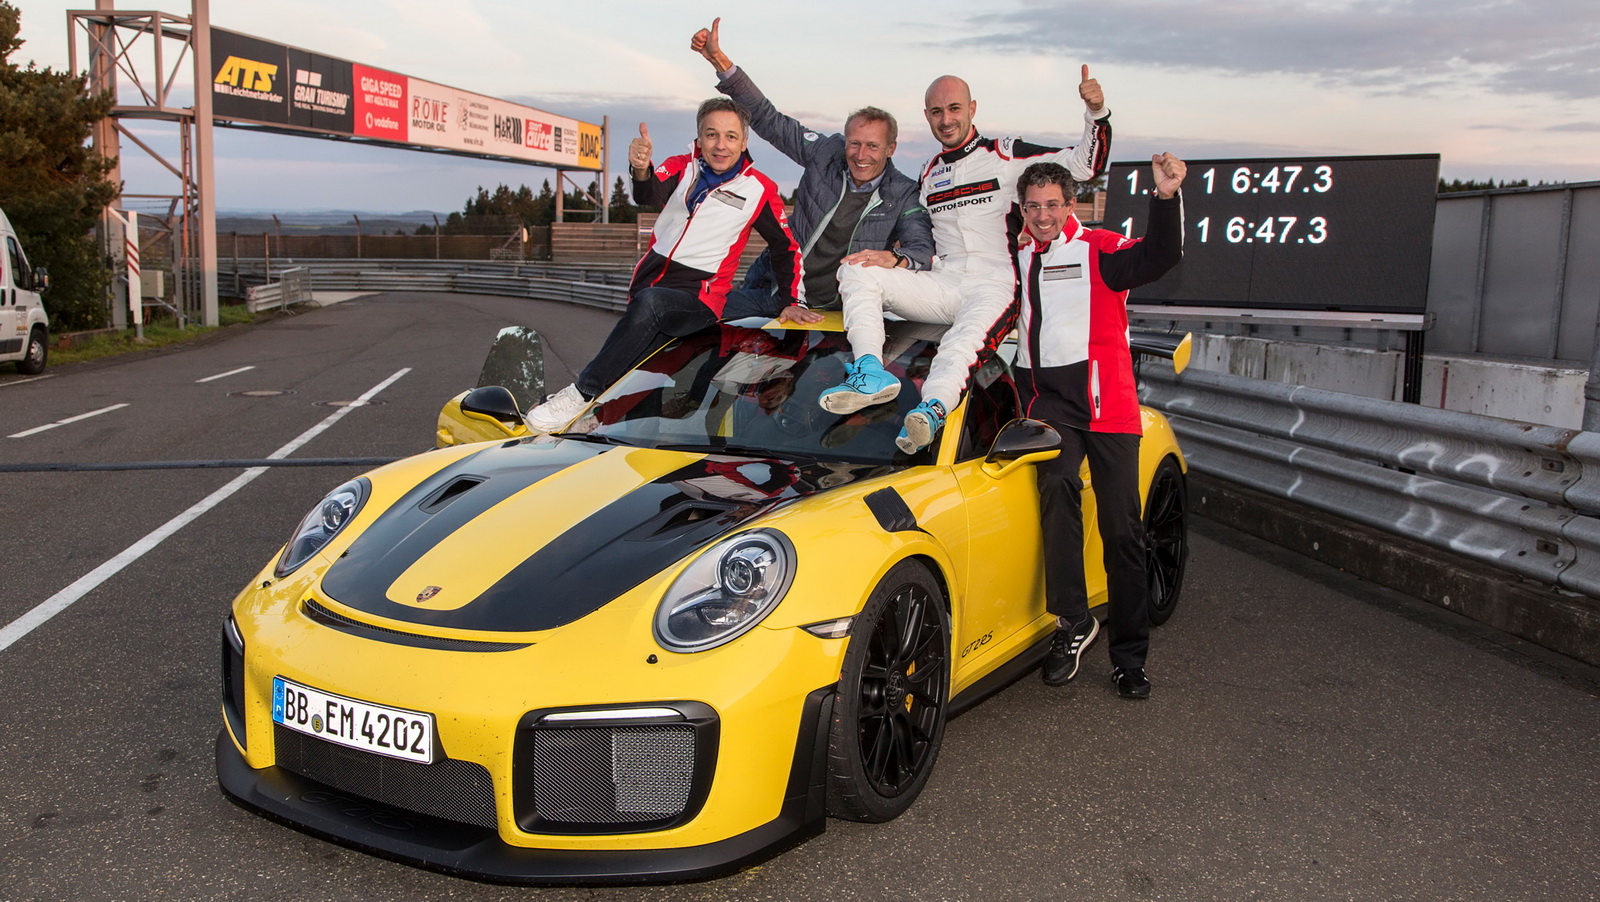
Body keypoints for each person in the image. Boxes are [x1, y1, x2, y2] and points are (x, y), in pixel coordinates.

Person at [820, 70, 1112, 454]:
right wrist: (893, 258)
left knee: (959, 348)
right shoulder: (929, 172)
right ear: (927, 116)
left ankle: (932, 410)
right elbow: (917, 238)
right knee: (856, 269)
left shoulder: (1006, 154)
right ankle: (871, 373)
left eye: (954, 108)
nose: (946, 119)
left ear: (972, 109)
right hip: (943, 281)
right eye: (937, 111)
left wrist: (1096, 112)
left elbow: (1084, 166)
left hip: (994, 284)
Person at [1013, 155, 1187, 699]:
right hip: (1051, 406)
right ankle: (1072, 621)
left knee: (1122, 532)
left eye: (1053, 205)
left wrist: (1164, 199)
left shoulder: (1100, 250)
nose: (1043, 216)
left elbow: (1160, 256)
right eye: (1033, 206)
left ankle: (1129, 659)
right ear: (1023, 208)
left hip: (1109, 406)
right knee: (1057, 486)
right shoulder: (1015, 253)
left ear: (1072, 205)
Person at [525, 98, 803, 432]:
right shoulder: (681, 165)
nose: (721, 145)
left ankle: (582, 393)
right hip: (650, 282)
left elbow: (786, 247)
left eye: (731, 136)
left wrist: (792, 300)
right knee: (646, 367)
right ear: (699, 138)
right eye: (712, 135)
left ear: (744, 142)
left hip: (701, 297)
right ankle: (598, 420)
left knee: (652, 307)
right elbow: (649, 193)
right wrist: (640, 169)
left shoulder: (759, 189)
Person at [689, 18, 933, 321]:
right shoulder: (826, 152)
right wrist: (718, 60)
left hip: (828, 310)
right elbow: (769, 119)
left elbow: (921, 249)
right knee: (707, 338)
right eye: (854, 143)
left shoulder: (904, 192)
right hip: (772, 287)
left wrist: (894, 258)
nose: (861, 155)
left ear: (890, 149)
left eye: (873, 146)